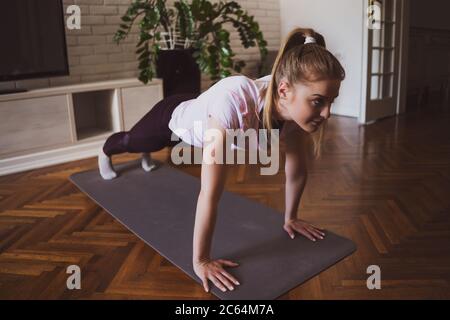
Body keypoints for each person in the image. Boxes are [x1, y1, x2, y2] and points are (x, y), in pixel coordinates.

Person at [98, 27, 345, 294]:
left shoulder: (294, 110)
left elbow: (295, 171)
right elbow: (209, 193)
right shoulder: (235, 100)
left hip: (199, 116)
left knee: (147, 146)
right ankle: (105, 151)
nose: (327, 113)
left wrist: (291, 218)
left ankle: (144, 154)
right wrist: (201, 260)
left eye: (332, 101)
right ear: (284, 90)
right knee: (134, 142)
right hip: (172, 120)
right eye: (319, 101)